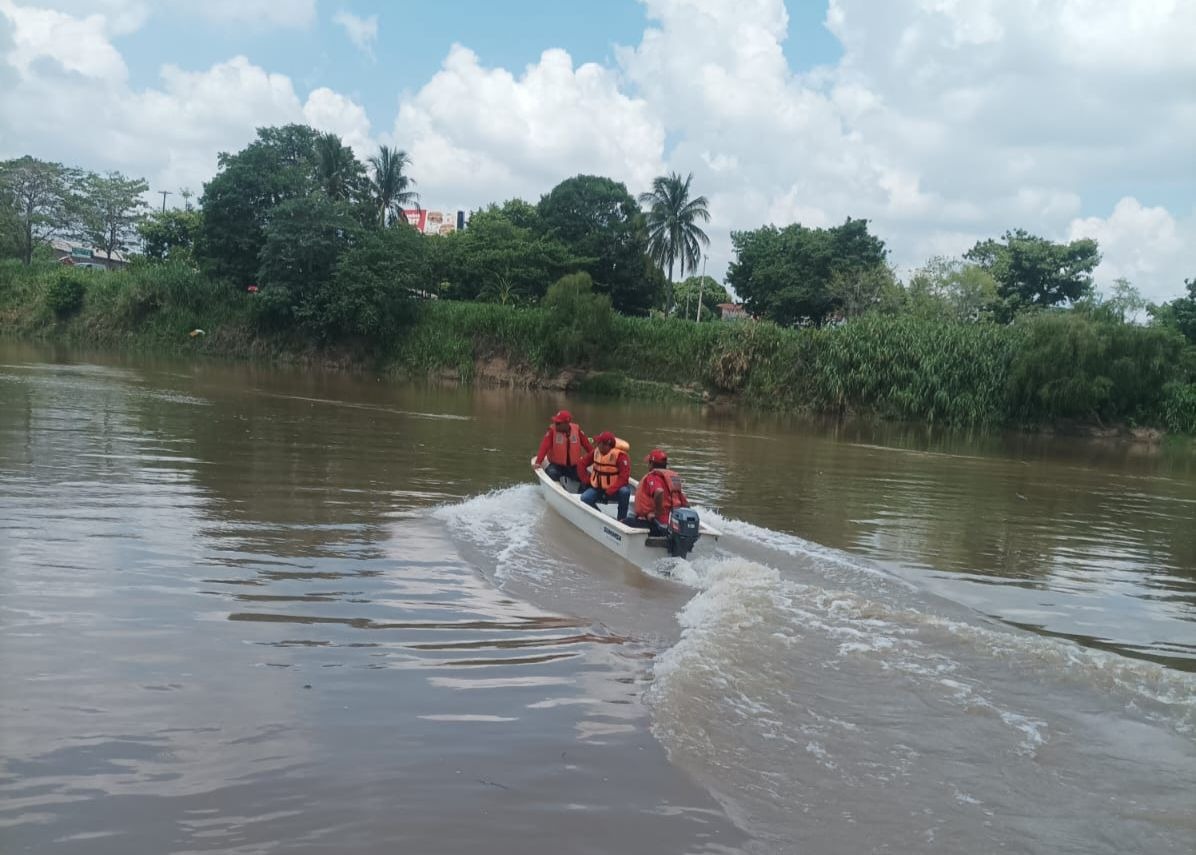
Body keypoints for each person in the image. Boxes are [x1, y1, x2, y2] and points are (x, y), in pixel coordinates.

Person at [623, 448, 689, 535]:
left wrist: (657, 513)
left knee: (624, 522)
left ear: (651, 464)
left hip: (658, 524)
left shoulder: (653, 477)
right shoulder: (673, 478)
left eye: (649, 463)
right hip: (673, 522)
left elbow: (659, 492)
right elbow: (685, 502)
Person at [533, 409, 591, 489]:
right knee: (551, 473)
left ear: (567, 423)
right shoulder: (552, 431)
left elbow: (588, 446)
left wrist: (596, 460)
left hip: (574, 467)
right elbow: (544, 447)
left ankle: (580, 494)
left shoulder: (577, 430)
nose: (555, 424)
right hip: (557, 466)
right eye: (555, 422)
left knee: (588, 478)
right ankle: (558, 488)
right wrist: (538, 462)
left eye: (558, 423)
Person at [579, 431, 631, 520]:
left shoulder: (620, 456)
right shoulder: (596, 452)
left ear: (607, 445)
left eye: (600, 443)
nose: (598, 445)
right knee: (585, 498)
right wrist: (586, 480)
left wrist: (610, 491)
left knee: (625, 491)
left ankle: (622, 519)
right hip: (598, 488)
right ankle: (599, 516)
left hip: (614, 490)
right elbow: (582, 463)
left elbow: (624, 477)